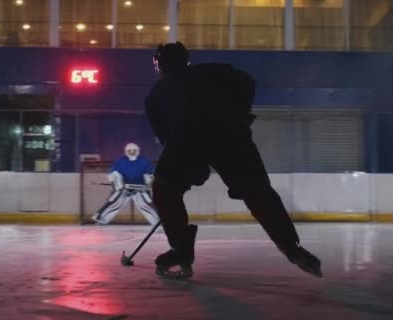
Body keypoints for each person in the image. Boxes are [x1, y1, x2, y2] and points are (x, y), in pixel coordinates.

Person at [145, 42, 322, 279]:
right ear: (186, 60)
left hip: (185, 142)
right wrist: (239, 113)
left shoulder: (155, 95)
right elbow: (247, 82)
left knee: (165, 190)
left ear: (160, 64)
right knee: (259, 193)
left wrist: (186, 168)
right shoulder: (216, 71)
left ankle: (181, 252)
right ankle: (293, 249)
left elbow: (166, 137)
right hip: (232, 137)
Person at [92, 143, 159, 226]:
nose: (132, 152)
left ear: (138, 151)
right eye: (130, 151)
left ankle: (157, 221)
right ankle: (100, 219)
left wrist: (149, 181)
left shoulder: (144, 161)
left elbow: (151, 173)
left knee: (146, 205)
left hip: (140, 188)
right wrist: (116, 182)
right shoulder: (121, 161)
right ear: (126, 151)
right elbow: (113, 172)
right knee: (114, 202)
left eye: (134, 150)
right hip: (124, 189)